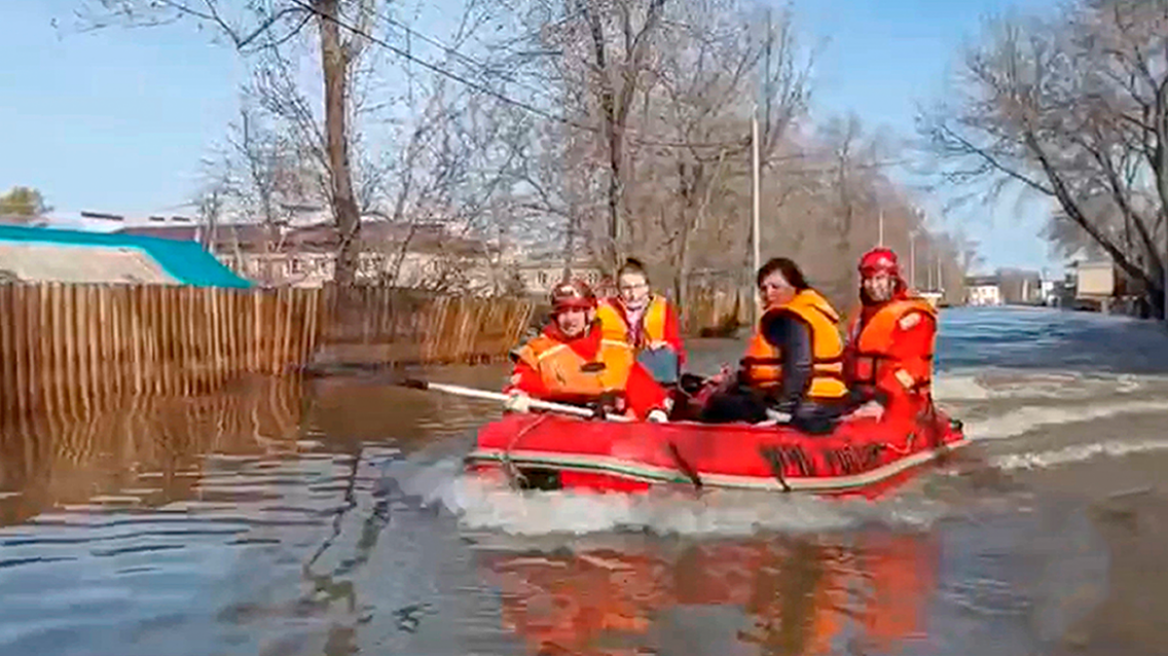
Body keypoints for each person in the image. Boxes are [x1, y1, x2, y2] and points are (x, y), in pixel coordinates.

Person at [698, 258, 848, 433]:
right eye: (763, 288)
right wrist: (734, 379)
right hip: (829, 400)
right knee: (735, 395)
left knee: (718, 404)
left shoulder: (787, 319)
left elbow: (800, 367)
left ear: (795, 287)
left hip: (805, 406)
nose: (769, 293)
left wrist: (780, 411)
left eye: (776, 287)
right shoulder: (812, 311)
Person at [504, 279, 671, 422]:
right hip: (557, 425)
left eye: (576, 311)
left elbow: (639, 383)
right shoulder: (538, 351)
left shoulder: (615, 347)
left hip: (612, 424)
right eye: (563, 312)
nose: (570, 319)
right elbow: (523, 381)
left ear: (590, 313)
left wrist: (655, 408)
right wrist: (519, 396)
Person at [843, 248, 938, 422]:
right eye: (868, 279)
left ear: (893, 281)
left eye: (880, 278)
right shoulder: (859, 318)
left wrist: (881, 401)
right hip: (860, 396)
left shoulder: (914, 317)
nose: (873, 286)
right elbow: (847, 360)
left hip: (905, 404)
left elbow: (911, 369)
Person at [595, 258, 686, 386]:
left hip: (652, 377)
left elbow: (676, 346)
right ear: (618, 289)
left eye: (638, 287)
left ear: (647, 287)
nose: (633, 294)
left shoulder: (664, 308)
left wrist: (665, 345)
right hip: (615, 379)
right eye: (626, 288)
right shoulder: (602, 310)